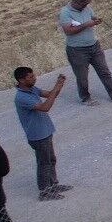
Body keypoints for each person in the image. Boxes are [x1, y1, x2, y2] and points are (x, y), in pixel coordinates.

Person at [58, 0, 112, 105]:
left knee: (105, 72)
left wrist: (96, 20)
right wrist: (86, 25)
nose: (86, 6)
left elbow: (91, 17)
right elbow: (68, 31)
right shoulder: (65, 12)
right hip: (77, 50)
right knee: (82, 77)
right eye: (84, 4)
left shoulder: (87, 9)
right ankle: (85, 98)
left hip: (94, 46)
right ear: (76, 2)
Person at [12, 67, 69, 202]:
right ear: (21, 80)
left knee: (51, 160)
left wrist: (59, 85)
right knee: (44, 163)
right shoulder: (22, 97)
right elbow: (45, 107)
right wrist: (57, 87)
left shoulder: (32, 89)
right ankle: (44, 191)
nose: (34, 78)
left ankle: (53, 185)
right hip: (37, 135)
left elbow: (50, 94)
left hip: (45, 131)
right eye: (30, 77)